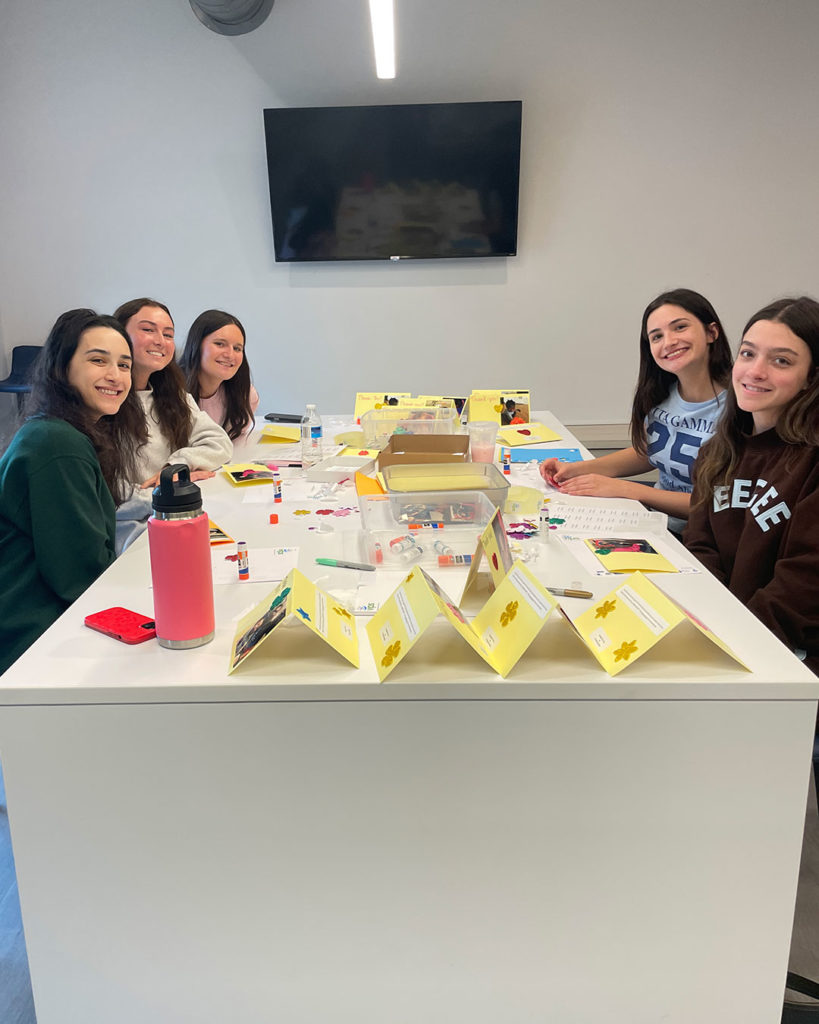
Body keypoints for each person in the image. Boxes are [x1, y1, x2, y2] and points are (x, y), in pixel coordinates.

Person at [0, 309, 148, 674]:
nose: (115, 376)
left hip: (50, 619)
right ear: (62, 367)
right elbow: (80, 577)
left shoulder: (61, 431)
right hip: (33, 638)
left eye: (124, 365)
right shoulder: (57, 443)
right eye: (98, 360)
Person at [685, 296, 819, 674]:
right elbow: (700, 548)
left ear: (812, 377)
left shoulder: (812, 459)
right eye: (748, 354)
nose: (755, 371)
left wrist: (733, 643)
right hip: (729, 641)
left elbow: (804, 584)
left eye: (781, 361)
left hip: (789, 659)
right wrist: (700, 624)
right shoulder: (716, 452)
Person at [540, 288, 732, 535]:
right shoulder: (660, 394)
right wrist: (576, 469)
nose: (669, 341)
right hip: (657, 523)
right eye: (656, 336)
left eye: (680, 327)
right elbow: (649, 452)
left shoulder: (740, 408)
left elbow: (721, 505)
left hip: (705, 540)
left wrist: (628, 490)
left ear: (711, 332)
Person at [113, 298, 232, 487]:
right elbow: (107, 493)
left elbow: (219, 443)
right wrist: (160, 491)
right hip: (134, 513)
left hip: (168, 507)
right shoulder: (106, 400)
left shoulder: (174, 395)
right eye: (148, 330)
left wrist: (176, 466)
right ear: (118, 336)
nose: (160, 341)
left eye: (168, 335)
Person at [179, 310, 259, 440]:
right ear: (197, 345)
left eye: (237, 348)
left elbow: (234, 445)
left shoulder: (245, 395)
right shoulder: (171, 391)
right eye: (220, 344)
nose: (230, 355)